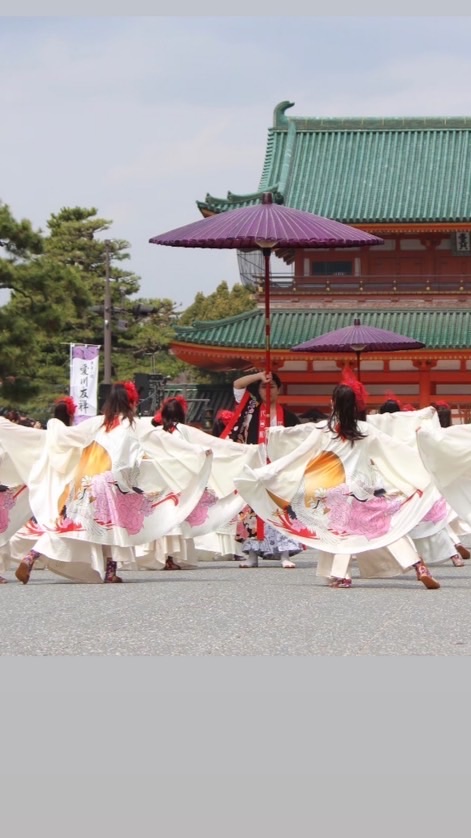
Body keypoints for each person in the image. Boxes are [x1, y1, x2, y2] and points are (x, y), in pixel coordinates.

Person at [235, 376, 442, 589]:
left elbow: (297, 454)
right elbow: (397, 449)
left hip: (332, 491)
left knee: (341, 534)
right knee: (385, 528)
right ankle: (418, 564)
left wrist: (265, 472)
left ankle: (342, 575)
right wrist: (427, 451)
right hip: (362, 489)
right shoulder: (366, 429)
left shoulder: (325, 429)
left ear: (333, 403)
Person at [224, 369, 303, 569]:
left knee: (281, 508)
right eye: (263, 387)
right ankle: (251, 555)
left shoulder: (290, 417)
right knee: (252, 510)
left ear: (279, 389)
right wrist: (260, 376)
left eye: (272, 386)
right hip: (255, 468)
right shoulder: (250, 411)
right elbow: (237, 384)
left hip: (279, 470)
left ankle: (285, 553)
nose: (267, 390)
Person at [14, 396, 77, 584]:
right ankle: (31, 556)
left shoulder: (46, 435)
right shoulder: (70, 436)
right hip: (66, 490)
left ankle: (29, 557)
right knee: (61, 529)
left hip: (46, 488)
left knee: (51, 526)